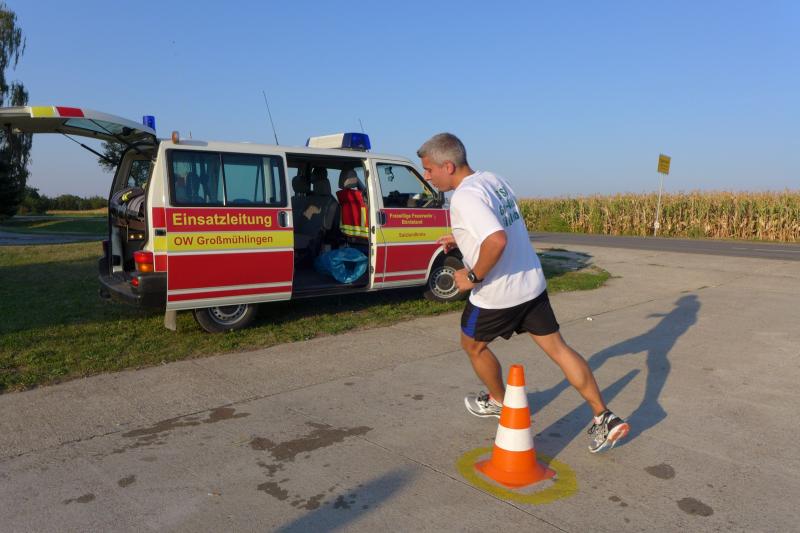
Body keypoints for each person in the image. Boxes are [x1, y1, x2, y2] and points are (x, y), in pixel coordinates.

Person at [417, 132, 630, 453]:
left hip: (497, 295)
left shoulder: (464, 197)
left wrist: (472, 276)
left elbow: (496, 240)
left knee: (472, 346)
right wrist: (461, 237)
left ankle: (499, 400)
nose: (427, 176)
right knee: (559, 349)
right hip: (531, 285)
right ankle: (604, 416)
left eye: (429, 169)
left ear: (448, 166)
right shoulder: (494, 180)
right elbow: (502, 226)